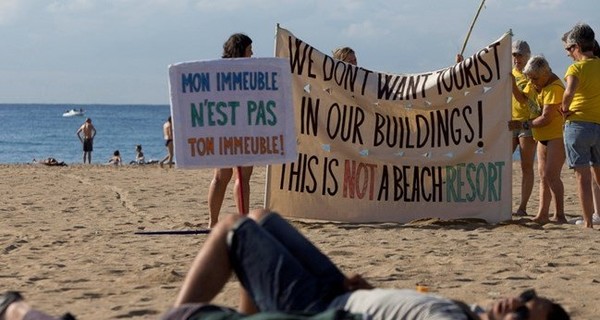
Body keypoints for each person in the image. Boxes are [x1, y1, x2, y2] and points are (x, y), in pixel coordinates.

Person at [0, 209, 571, 320]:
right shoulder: (466, 312)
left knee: (236, 230)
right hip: (343, 292)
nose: (513, 305)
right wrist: (374, 290)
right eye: (526, 298)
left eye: (524, 318)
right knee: (265, 218)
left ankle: (182, 315)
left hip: (321, 306)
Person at [509, 55, 566, 224]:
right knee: (543, 175)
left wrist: (523, 125)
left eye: (534, 78)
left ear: (545, 74)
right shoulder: (534, 83)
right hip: (541, 137)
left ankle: (560, 214)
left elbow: (546, 118)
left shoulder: (554, 87)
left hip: (556, 135)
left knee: (551, 175)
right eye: (530, 78)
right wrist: (512, 83)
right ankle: (543, 214)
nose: (532, 82)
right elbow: (522, 99)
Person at [207, 33, 254, 228]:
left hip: (231, 127)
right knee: (231, 177)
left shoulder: (220, 71)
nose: (252, 54)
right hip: (233, 127)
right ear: (241, 50)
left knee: (227, 176)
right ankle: (227, 220)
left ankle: (215, 221)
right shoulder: (245, 73)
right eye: (250, 51)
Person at [559, 23, 600, 228]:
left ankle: (587, 222)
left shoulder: (575, 68)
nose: (568, 54)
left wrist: (564, 109)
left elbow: (569, 92)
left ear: (576, 46)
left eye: (569, 49)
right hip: (598, 123)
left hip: (578, 124)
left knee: (582, 177)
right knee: (598, 175)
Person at [510, 40, 537, 217]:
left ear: (528, 56)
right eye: (514, 55)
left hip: (527, 124)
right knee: (502, 162)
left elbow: (522, 99)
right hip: (510, 123)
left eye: (520, 55)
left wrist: (511, 82)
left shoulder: (531, 75)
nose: (517, 58)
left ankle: (523, 206)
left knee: (526, 166)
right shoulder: (509, 73)